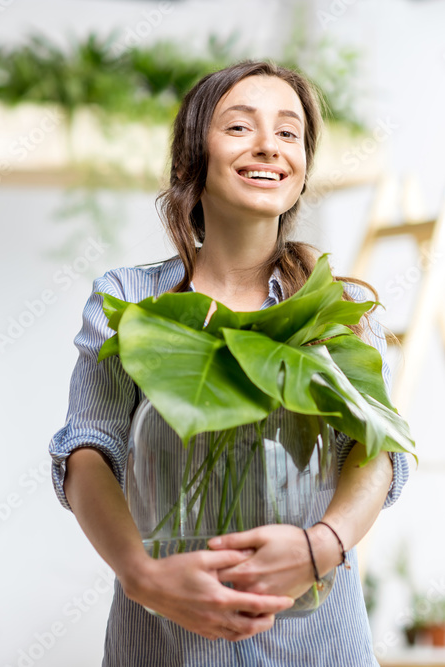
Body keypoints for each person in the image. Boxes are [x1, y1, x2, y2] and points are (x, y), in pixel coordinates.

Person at [48, 59, 409, 666]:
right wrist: (142, 576)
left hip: (316, 641)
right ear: (194, 158)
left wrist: (324, 545)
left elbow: (378, 446)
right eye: (240, 127)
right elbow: (88, 449)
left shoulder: (331, 304)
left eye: (289, 132)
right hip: (166, 637)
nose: (269, 145)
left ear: (301, 172)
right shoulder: (131, 300)